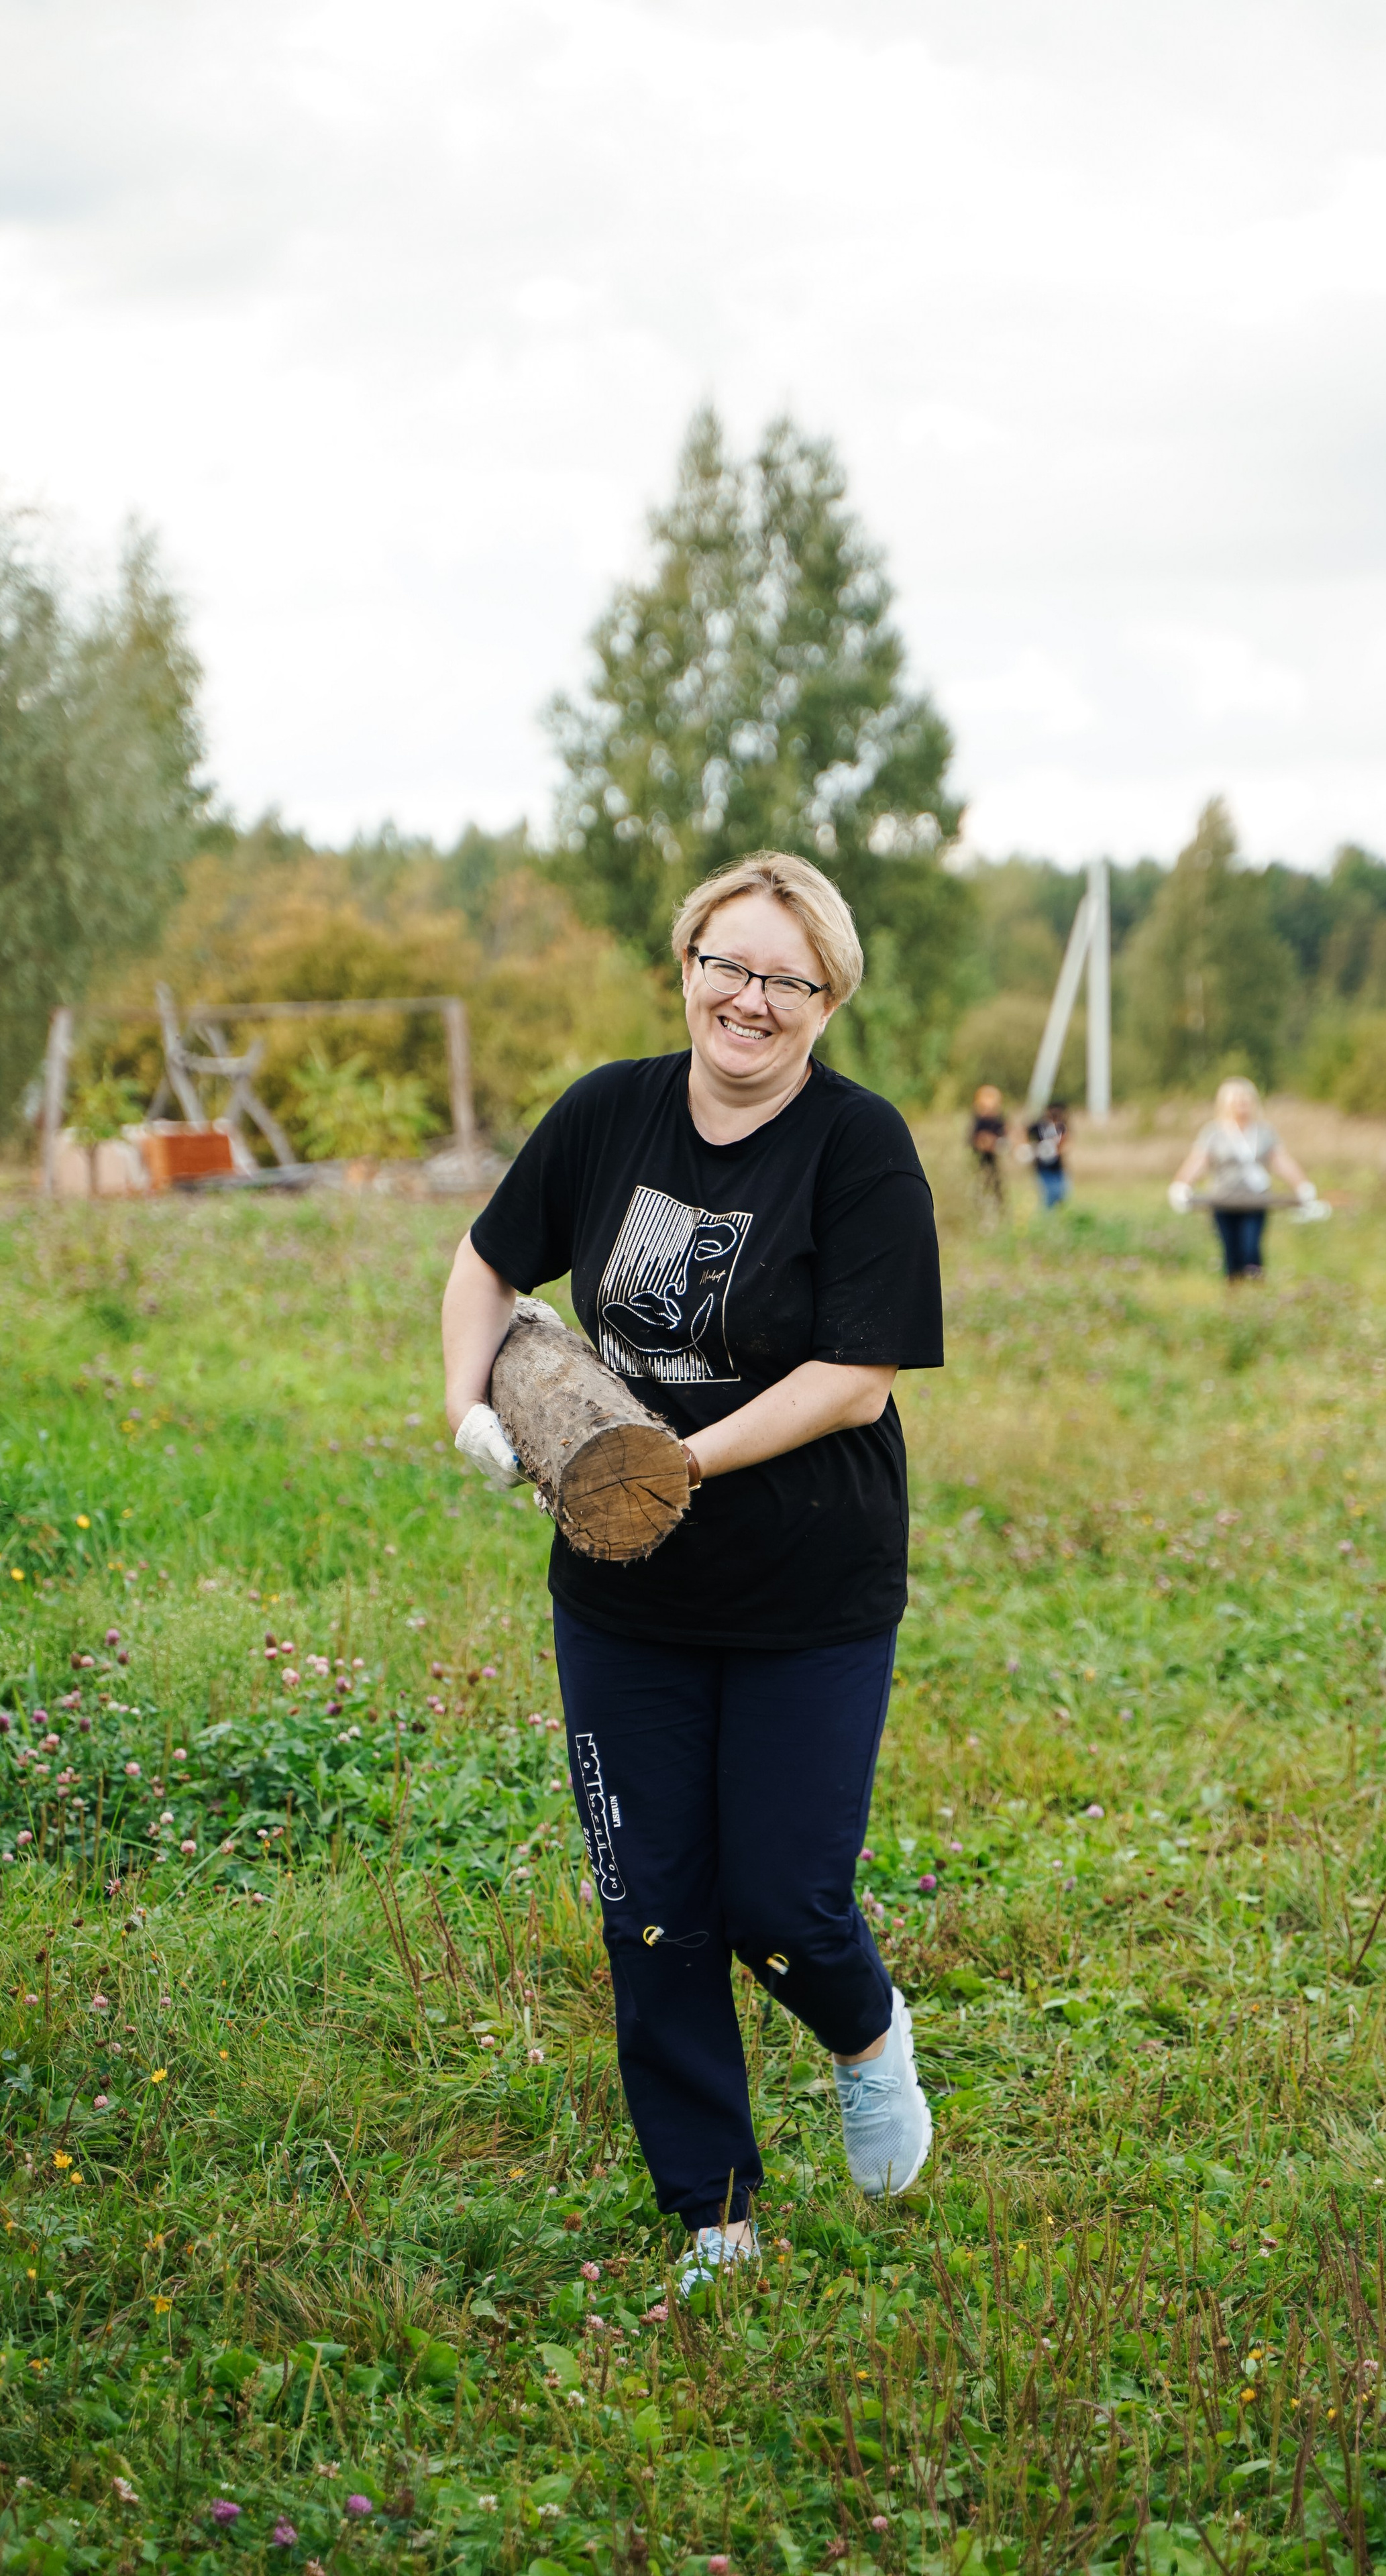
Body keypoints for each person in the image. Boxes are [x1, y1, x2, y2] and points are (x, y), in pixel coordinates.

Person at [439, 853, 942, 2288]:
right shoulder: (609, 1112)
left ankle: (865, 2039)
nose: (751, 997)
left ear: (826, 1000)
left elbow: (855, 1376)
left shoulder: (858, 1148)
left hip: (806, 1587)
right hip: (621, 1593)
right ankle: (713, 2211)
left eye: (788, 978)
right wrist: (471, 1405)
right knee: (650, 1903)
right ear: (686, 965)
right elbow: (486, 1265)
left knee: (783, 1904)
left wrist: (670, 1463)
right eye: (730, 962)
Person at [1168, 1077, 1316, 1281]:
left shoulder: (1264, 1132)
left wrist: (1302, 1186)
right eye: (1236, 1101)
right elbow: (1199, 1162)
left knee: (1251, 1248)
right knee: (1231, 1251)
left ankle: (1256, 1292)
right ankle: (1235, 1297)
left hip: (1255, 1202)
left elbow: (1281, 1161)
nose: (1241, 1106)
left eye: (1245, 1101)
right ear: (1226, 1104)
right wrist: (1181, 1185)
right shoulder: (1214, 1133)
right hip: (1222, 1201)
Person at [1026, 1100, 1071, 1212]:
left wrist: (1057, 1151)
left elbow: (1067, 1143)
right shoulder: (1039, 1125)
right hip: (1042, 1166)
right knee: (1048, 1195)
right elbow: (1024, 1135)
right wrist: (1033, 1150)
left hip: (1058, 1166)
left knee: (1062, 1193)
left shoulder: (1062, 1126)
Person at [969, 1085, 1007, 1210]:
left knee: (996, 1189)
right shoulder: (978, 1121)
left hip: (993, 1161)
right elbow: (976, 1142)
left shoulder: (998, 1120)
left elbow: (1003, 1139)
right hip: (980, 1162)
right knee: (981, 1188)